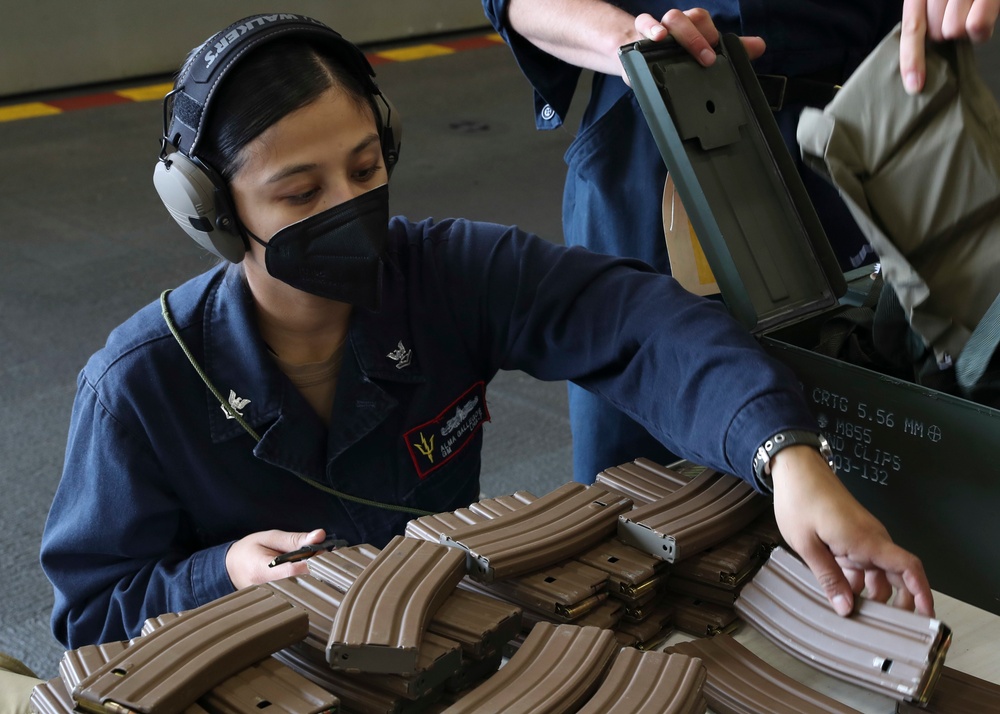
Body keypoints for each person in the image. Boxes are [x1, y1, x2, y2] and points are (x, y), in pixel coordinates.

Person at [40, 13, 932, 651]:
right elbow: (89, 620)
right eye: (301, 194)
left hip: (438, 649)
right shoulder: (139, 385)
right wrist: (220, 575)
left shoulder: (446, 274)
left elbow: (641, 324)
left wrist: (789, 459)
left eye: (365, 166)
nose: (352, 207)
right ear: (212, 212)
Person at [482, 0, 1000, 485]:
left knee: (886, 440)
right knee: (643, 471)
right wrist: (634, 41)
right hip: (659, 135)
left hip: (861, 133)